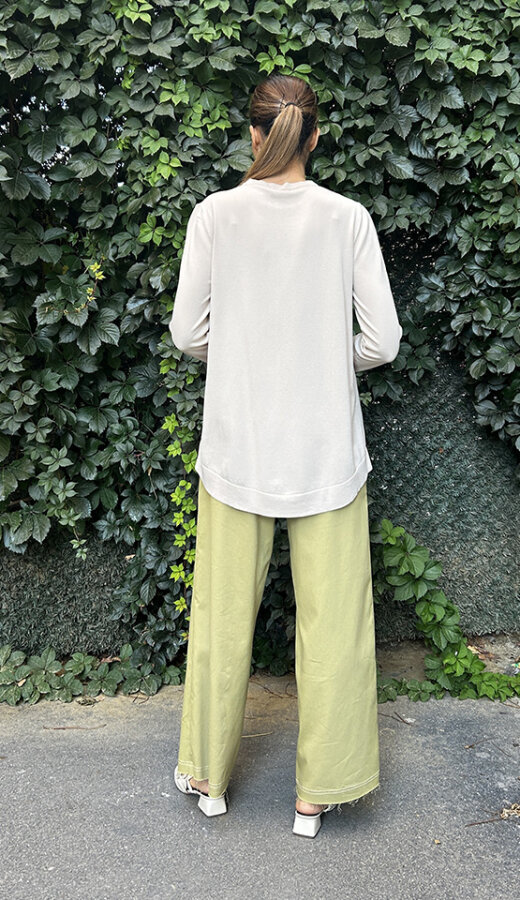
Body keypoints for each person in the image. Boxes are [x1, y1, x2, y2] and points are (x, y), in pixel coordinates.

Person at [169, 73, 402, 838]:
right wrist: (328, 358)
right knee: (335, 626)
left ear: (253, 134)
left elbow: (187, 333)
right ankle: (317, 796)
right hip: (325, 447)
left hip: (237, 444)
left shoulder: (215, 215)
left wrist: (243, 355)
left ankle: (208, 778)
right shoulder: (347, 219)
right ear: (316, 136)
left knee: (220, 616)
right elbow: (383, 341)